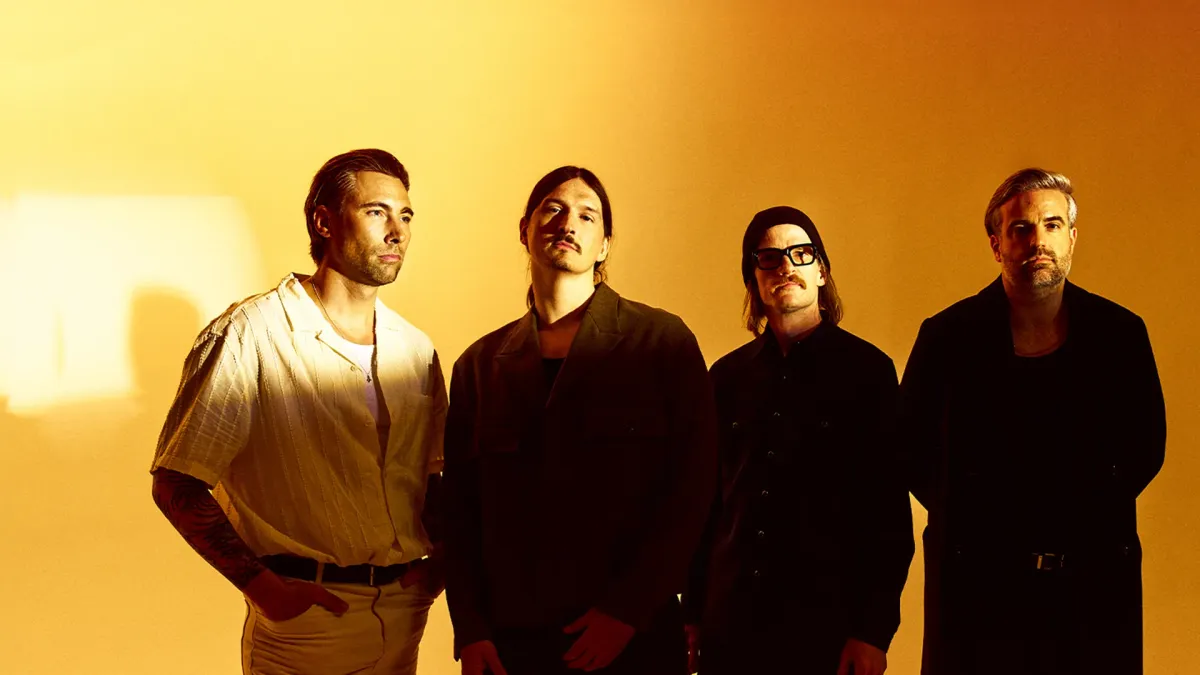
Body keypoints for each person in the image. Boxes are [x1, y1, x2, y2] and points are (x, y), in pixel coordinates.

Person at [150, 149, 447, 675]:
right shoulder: (251, 333)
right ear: (323, 221)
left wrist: (438, 569)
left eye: (405, 215)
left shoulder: (415, 348)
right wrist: (265, 589)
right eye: (376, 212)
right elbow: (177, 481)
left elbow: (432, 478)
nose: (397, 231)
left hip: (404, 618)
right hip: (307, 625)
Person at [443, 166, 718, 675]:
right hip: (513, 643)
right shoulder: (478, 366)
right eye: (553, 208)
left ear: (604, 245)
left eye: (587, 215)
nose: (568, 222)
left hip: (634, 636)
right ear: (525, 229)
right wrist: (472, 630)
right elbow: (458, 511)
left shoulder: (661, 341)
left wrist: (628, 610)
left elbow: (694, 488)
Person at [900, 168, 1166, 675]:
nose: (1038, 240)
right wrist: (974, 517)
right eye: (1021, 228)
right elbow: (910, 449)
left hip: (1092, 590)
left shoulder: (1120, 335)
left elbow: (1145, 447)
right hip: (977, 592)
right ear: (997, 244)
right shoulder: (947, 337)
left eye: (1052, 224)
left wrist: (1084, 510)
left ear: (1072, 237)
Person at [683, 206, 914, 674]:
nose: (786, 265)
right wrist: (691, 615)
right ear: (753, 280)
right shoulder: (725, 377)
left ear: (821, 272)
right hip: (732, 625)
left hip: (826, 628)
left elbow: (887, 512)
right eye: (769, 258)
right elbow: (705, 506)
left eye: (801, 253)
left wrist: (872, 632)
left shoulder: (868, 371)